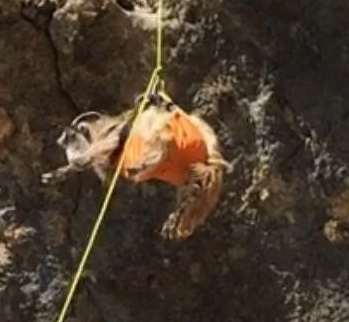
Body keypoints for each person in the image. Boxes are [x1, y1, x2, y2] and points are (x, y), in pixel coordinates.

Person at [44, 92, 227, 240]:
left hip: (147, 141)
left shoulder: (197, 148)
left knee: (102, 151)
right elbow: (170, 135)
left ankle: (82, 153)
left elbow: (170, 134)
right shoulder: (192, 152)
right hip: (147, 143)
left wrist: (163, 105)